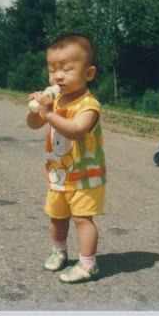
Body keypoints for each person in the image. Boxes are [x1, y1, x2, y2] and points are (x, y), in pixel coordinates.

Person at [26, 33, 106, 284]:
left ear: (88, 73)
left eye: (67, 69)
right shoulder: (56, 100)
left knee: (83, 219)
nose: (58, 76)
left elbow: (76, 130)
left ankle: (88, 264)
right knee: (57, 217)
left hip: (85, 176)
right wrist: (36, 109)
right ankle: (59, 250)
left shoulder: (89, 105)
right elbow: (34, 125)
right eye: (52, 70)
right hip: (58, 174)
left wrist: (49, 113)